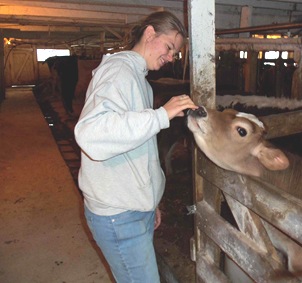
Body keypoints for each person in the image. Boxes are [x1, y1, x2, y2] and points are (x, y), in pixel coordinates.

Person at [74, 11, 197, 283]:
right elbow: (91, 133)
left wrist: (150, 202)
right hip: (119, 216)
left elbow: (139, 149)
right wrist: (161, 115)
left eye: (175, 53)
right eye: (169, 47)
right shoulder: (119, 71)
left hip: (131, 208)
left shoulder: (140, 80)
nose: (170, 58)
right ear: (150, 33)